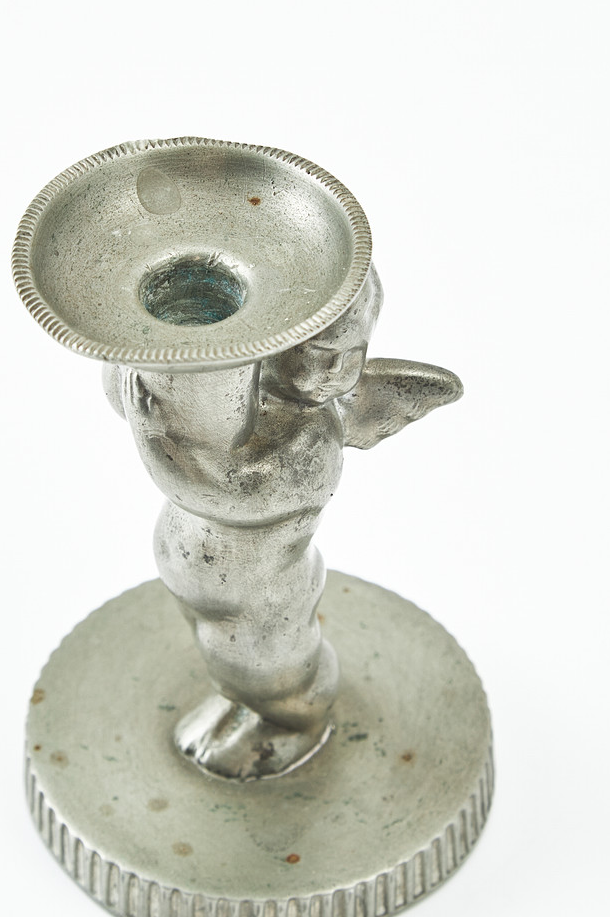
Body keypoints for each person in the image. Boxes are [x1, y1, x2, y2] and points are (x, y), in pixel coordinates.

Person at [104, 269, 463, 779]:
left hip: (263, 601)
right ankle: (241, 706)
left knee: (270, 666)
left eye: (350, 355)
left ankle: (297, 723)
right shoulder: (240, 402)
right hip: (202, 579)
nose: (334, 371)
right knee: (228, 664)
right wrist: (134, 361)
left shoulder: (310, 437)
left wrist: (152, 421)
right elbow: (126, 400)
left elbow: (223, 486)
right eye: (316, 351)